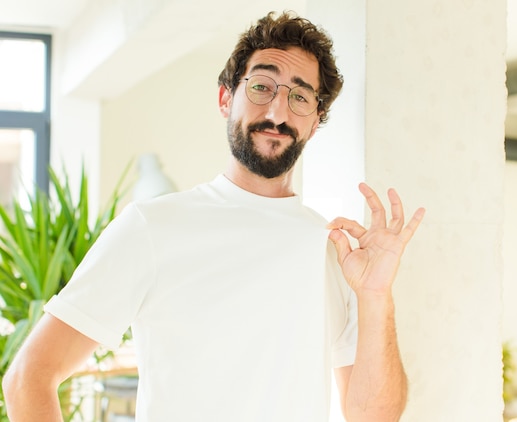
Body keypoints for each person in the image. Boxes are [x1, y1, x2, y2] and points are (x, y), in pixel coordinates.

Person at [2, 11, 425, 422]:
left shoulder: (335, 251)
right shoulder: (152, 227)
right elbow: (28, 378)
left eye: (300, 96)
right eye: (262, 87)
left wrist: (375, 296)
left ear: (315, 123)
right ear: (226, 99)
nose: (279, 112)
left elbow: (373, 416)